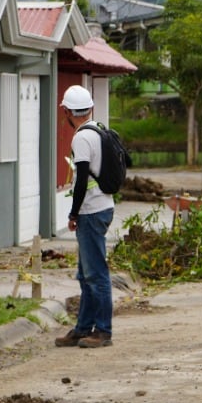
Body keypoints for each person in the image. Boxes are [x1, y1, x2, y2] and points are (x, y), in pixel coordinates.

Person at [54, 84, 115, 349]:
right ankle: (82, 328)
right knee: (85, 274)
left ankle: (102, 331)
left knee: (96, 274)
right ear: (90, 108)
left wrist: (73, 213)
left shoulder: (81, 138)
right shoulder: (100, 129)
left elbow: (80, 181)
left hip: (91, 210)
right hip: (104, 205)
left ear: (67, 111)